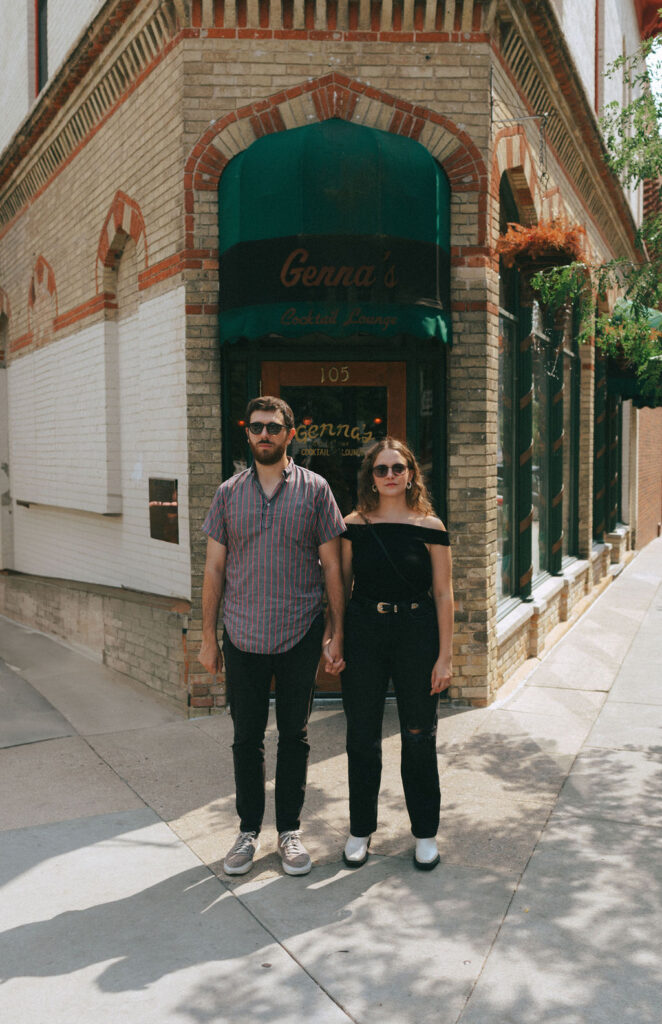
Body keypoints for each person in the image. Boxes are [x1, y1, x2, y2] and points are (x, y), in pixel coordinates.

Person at [198, 396, 346, 877]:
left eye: (274, 427)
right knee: (246, 737)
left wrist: (335, 631)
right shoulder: (227, 493)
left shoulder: (316, 490)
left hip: (299, 631)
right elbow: (215, 568)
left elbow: (332, 566)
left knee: (295, 736)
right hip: (241, 634)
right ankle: (247, 831)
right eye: (256, 427)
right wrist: (207, 638)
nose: (265, 434)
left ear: (289, 434)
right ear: (247, 433)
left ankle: (288, 831)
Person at [340, 438, 453, 870]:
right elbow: (342, 587)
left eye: (397, 468)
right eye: (381, 469)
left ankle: (425, 833)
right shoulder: (353, 524)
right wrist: (336, 637)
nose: (389, 476)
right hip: (365, 630)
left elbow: (443, 594)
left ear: (411, 474)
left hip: (417, 632)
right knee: (362, 737)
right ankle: (360, 830)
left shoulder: (430, 526)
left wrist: (444, 656)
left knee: (419, 736)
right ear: (371, 476)